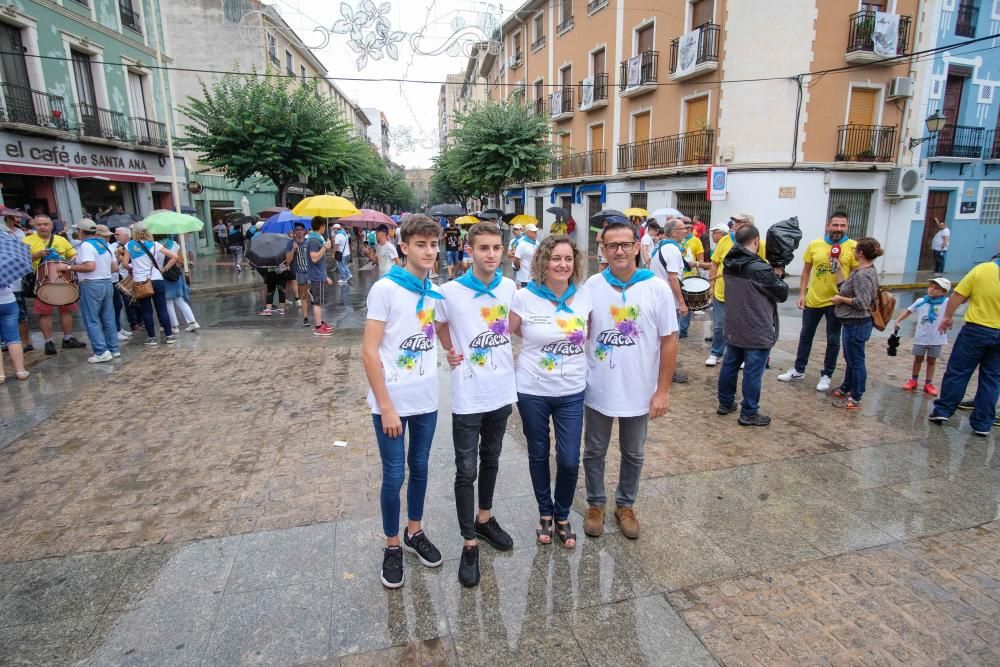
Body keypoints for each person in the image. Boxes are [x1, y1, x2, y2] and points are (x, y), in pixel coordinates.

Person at [361, 214, 444, 589]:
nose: (429, 251)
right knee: (394, 475)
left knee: (421, 467)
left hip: (426, 398)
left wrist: (454, 351)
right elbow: (368, 352)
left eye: (433, 244)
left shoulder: (432, 288)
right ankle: (392, 544)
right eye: (421, 244)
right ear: (404, 248)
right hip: (391, 403)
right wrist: (387, 406)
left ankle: (415, 531)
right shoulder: (386, 289)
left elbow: (437, 326)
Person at [582, 221, 677, 540]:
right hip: (598, 387)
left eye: (625, 244)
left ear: (637, 246)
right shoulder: (593, 285)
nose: (619, 251)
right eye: (612, 246)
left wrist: (662, 391)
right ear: (604, 251)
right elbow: (578, 329)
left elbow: (669, 340)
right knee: (594, 449)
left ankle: (625, 504)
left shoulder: (657, 287)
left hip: (640, 389)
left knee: (633, 452)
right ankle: (595, 503)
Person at [435, 221, 517, 587]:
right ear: (470, 251)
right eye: (483, 248)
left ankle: (484, 520)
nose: (491, 254)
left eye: (496, 248)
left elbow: (515, 325)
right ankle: (469, 542)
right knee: (465, 469)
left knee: (493, 459)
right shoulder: (450, 292)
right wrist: (450, 350)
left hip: (501, 390)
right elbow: (438, 325)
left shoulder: (511, 288)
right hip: (468, 394)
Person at [510, 234, 592, 549]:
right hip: (532, 390)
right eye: (556, 258)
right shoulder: (524, 297)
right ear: (543, 262)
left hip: (572, 389)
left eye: (568, 259)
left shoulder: (584, 296)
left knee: (570, 459)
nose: (562, 264)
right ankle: (546, 513)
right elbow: (512, 330)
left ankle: (563, 513)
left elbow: (591, 334)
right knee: (539, 453)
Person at [717, 225, 789, 426]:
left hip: (734, 324)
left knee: (730, 364)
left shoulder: (729, 262)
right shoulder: (759, 268)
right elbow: (782, 293)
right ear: (756, 240)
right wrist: (777, 274)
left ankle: (725, 403)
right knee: (753, 371)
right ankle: (749, 412)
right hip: (756, 327)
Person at [778, 211, 857, 392]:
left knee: (833, 339)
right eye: (835, 225)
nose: (838, 229)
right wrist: (803, 294)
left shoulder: (853, 247)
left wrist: (846, 298)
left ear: (847, 227)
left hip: (837, 301)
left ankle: (827, 375)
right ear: (828, 226)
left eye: (842, 225)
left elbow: (855, 276)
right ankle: (798, 370)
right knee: (806, 335)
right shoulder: (815, 245)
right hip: (814, 299)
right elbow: (806, 271)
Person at [929, 256, 1000, 436]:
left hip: (976, 329)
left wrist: (947, 316)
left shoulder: (983, 269)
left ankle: (943, 411)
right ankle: (983, 424)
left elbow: (958, 295)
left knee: (958, 371)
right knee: (992, 379)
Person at [829, 237, 883, 410]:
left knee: (856, 360)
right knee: (850, 358)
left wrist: (840, 299)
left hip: (858, 322)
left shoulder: (864, 274)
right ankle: (847, 387)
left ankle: (856, 396)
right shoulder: (862, 270)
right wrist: (838, 271)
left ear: (860, 253)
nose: (852, 252)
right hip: (852, 322)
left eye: (855, 250)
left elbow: (862, 301)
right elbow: (846, 286)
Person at [706, 214, 766, 366]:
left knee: (743, 325)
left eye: (739, 221)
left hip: (745, 295)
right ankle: (716, 352)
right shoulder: (725, 240)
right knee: (720, 325)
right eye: (734, 221)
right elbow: (714, 264)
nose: (734, 224)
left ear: (749, 224)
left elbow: (763, 266)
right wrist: (711, 286)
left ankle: (740, 357)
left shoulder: (759, 243)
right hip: (722, 292)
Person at [22, 214, 87, 355]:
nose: (43, 227)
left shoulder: (60, 240)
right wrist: (36, 255)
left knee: (66, 309)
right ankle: (48, 341)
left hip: (63, 279)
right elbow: (21, 260)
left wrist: (70, 262)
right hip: (41, 280)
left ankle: (68, 338)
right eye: (39, 224)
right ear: (34, 225)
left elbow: (73, 255)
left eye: (46, 224)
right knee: (44, 312)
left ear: (51, 226)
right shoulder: (27, 241)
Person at [64, 219, 120, 362]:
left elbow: (89, 266)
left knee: (92, 320)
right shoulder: (105, 244)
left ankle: (101, 352)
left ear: (81, 231)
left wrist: (69, 268)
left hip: (91, 284)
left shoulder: (86, 246)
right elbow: (114, 267)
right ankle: (114, 349)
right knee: (108, 318)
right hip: (107, 283)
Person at [121, 223, 179, 346]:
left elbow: (125, 263)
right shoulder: (155, 244)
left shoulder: (129, 245)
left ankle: (151, 338)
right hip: (157, 279)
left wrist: (133, 269)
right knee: (162, 308)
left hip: (141, 281)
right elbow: (174, 257)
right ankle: (169, 336)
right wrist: (164, 269)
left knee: (146, 310)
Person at [895, 277, 950, 396]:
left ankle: (928, 383)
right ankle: (914, 379)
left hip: (936, 338)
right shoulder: (921, 301)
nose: (932, 290)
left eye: (936, 288)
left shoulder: (946, 302)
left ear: (944, 292)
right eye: (930, 287)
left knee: (931, 361)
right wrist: (898, 320)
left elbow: (951, 311)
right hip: (921, 337)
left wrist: (950, 320)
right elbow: (909, 311)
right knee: (917, 359)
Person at [306, 217, 334, 336]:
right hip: (317, 276)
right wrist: (325, 247)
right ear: (322, 226)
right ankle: (318, 327)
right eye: (324, 226)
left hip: (320, 275)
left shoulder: (317, 239)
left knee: (320, 301)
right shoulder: (313, 240)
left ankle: (320, 322)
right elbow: (314, 258)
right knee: (318, 302)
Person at [110, 226, 139, 338]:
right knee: (121, 303)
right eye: (114, 234)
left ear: (126, 235)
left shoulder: (133, 245)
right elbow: (117, 263)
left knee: (131, 301)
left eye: (118, 234)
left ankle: (123, 327)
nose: (115, 236)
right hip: (119, 277)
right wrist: (119, 255)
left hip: (126, 277)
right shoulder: (113, 246)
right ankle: (130, 324)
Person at [288, 221, 312, 326]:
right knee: (303, 296)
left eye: (301, 230)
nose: (299, 232)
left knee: (316, 295)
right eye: (297, 230)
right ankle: (305, 317)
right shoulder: (290, 243)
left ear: (304, 231)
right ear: (294, 232)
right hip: (300, 273)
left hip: (312, 272)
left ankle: (318, 316)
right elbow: (288, 261)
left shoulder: (309, 242)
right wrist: (293, 249)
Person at [512, 223, 538, 288]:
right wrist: (519, 268)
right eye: (533, 231)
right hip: (525, 277)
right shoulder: (522, 244)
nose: (535, 233)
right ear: (527, 233)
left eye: (535, 231)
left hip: (535, 275)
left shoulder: (536, 243)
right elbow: (516, 260)